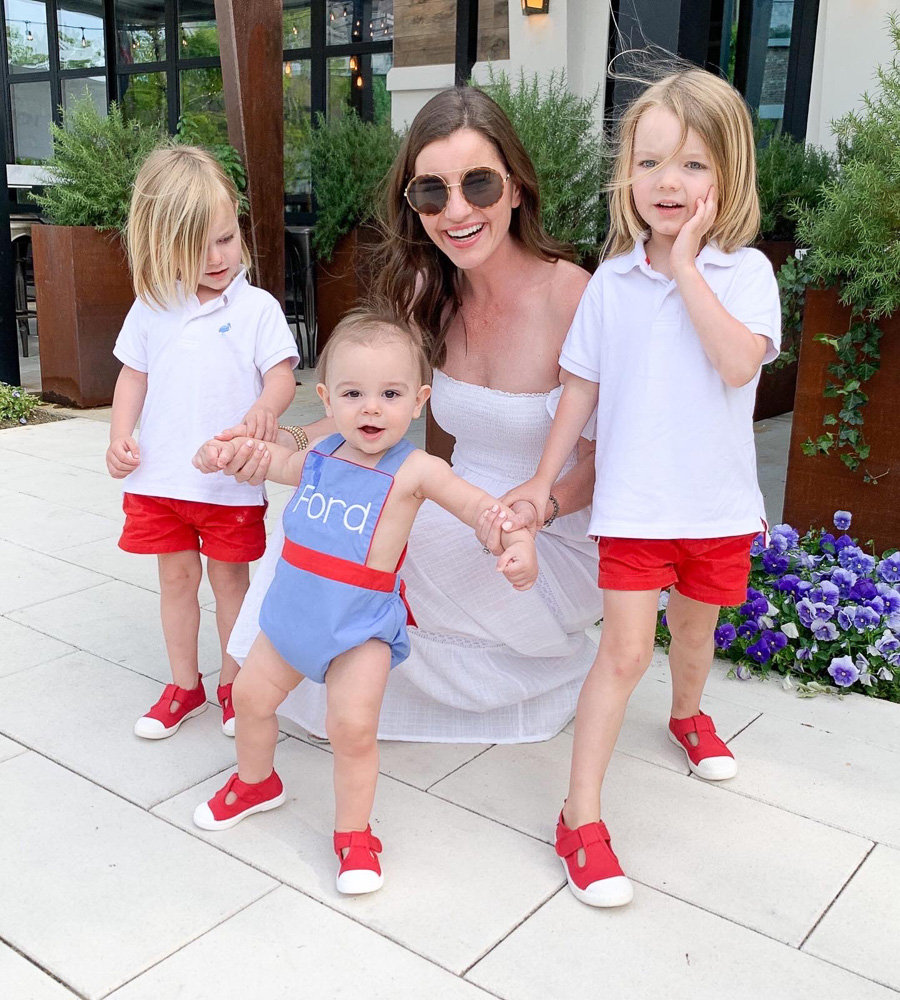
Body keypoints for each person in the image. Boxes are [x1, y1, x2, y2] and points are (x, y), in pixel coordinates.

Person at [212, 87, 603, 743]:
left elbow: (603, 454)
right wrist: (287, 437)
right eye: (430, 192)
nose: (455, 211)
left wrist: (539, 508)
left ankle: (252, 679)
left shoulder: (574, 296)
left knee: (353, 528)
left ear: (515, 188)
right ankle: (251, 682)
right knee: (320, 507)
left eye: (478, 184)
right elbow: (372, 404)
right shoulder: (429, 290)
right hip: (460, 504)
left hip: (551, 532)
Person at [511, 67, 782, 907]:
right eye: (651, 161)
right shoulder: (611, 284)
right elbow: (580, 391)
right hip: (633, 509)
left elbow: (740, 362)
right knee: (625, 653)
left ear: (728, 175)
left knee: (694, 639)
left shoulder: (745, 276)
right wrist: (542, 478)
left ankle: (690, 716)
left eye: (694, 165)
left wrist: (689, 268)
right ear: (627, 173)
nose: (669, 181)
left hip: (717, 509)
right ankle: (579, 816)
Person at [191, 312, 537, 894]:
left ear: (420, 401)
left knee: (351, 729)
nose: (371, 408)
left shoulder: (418, 469)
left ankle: (354, 832)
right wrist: (222, 455)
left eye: (390, 394)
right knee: (250, 699)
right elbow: (272, 462)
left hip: (360, 628)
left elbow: (481, 508)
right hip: (294, 615)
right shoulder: (321, 453)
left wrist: (516, 539)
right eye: (353, 394)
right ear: (326, 398)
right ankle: (255, 782)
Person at [106, 145, 299, 740]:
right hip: (162, 479)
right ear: (162, 246)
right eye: (197, 248)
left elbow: (282, 373)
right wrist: (119, 436)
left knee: (230, 584)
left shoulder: (256, 307)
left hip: (227, 479)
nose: (217, 258)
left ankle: (235, 686)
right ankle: (184, 685)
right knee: (176, 581)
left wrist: (267, 408)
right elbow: (132, 375)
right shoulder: (152, 306)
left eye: (226, 238)